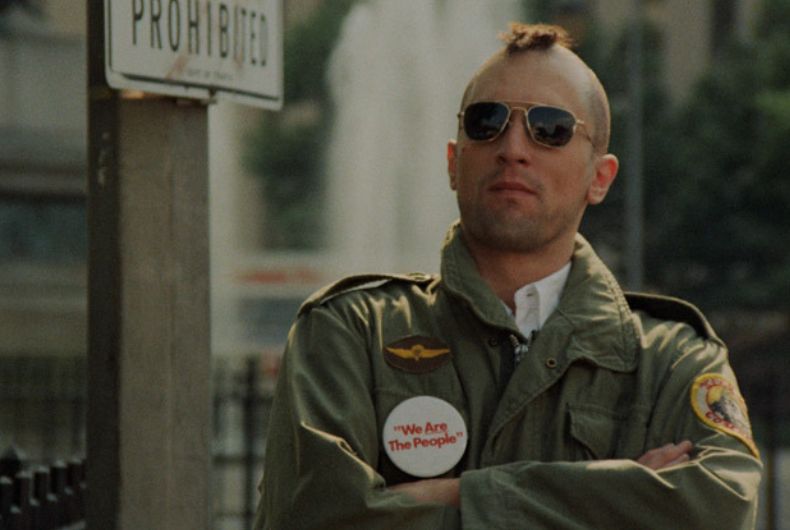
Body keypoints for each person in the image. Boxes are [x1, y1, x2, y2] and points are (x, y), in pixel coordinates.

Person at [254, 23, 762, 529]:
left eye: (551, 128)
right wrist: (621, 496)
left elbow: (718, 507)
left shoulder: (670, 360)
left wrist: (457, 494)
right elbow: (314, 519)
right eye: (486, 122)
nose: (513, 147)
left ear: (600, 177)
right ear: (453, 163)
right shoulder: (351, 332)